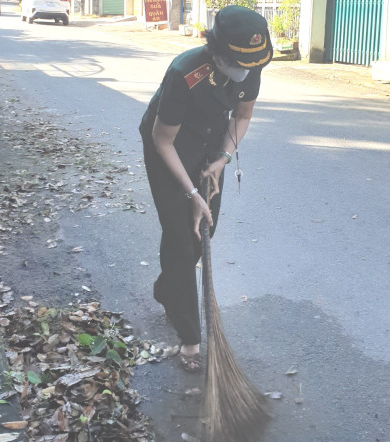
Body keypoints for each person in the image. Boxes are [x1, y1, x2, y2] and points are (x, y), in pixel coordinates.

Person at [139, 6, 273, 372]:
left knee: (203, 230)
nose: (245, 71)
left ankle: (168, 287)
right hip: (170, 147)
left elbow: (242, 117)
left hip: (212, 147)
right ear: (216, 51)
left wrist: (222, 160)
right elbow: (162, 140)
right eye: (237, 62)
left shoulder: (251, 62)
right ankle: (190, 336)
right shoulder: (185, 73)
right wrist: (191, 193)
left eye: (252, 63)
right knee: (182, 235)